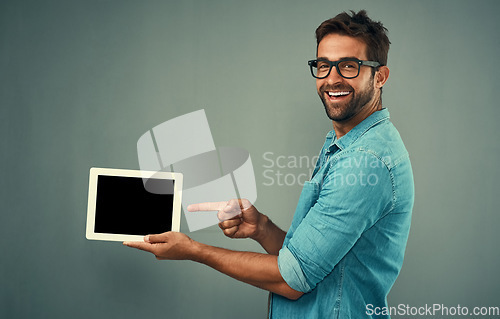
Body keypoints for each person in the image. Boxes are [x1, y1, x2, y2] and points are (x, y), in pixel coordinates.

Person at [124, 10, 414, 318]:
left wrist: (193, 251)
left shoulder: (365, 161)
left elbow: (293, 278)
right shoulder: (343, 142)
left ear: (379, 76)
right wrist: (260, 227)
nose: (332, 79)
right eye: (323, 66)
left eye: (348, 66)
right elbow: (310, 258)